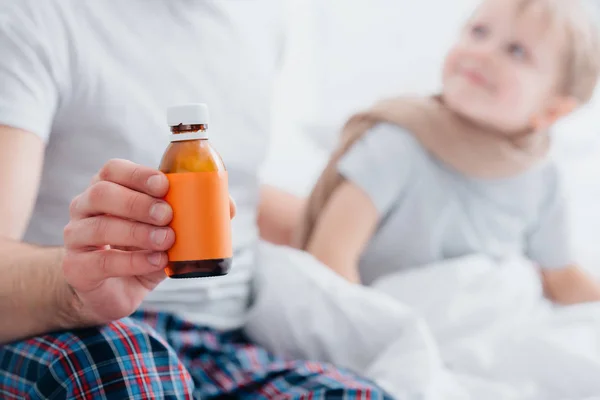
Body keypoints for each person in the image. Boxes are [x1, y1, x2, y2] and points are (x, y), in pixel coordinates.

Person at [0, 0, 393, 398]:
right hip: (80, 333)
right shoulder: (35, 15)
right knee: (126, 366)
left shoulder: (263, 18)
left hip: (220, 344)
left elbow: (239, 193)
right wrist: (73, 288)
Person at [296, 0, 600, 305]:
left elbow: (561, 277)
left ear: (552, 111)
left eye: (516, 51)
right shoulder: (399, 143)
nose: (482, 52)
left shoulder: (542, 179)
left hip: (463, 325)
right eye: (478, 32)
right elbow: (329, 256)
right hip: (382, 314)